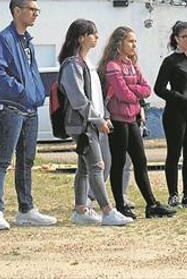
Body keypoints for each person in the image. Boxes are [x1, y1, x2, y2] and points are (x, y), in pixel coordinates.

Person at [0, 0, 56, 230]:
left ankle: (26, 209)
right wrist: (22, 91)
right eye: (31, 9)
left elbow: (32, 73)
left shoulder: (28, 42)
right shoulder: (3, 39)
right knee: (2, 160)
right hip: (10, 108)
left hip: (30, 109)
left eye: (37, 10)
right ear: (17, 11)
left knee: (26, 160)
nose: (35, 13)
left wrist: (35, 94)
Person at [58, 19, 131, 227]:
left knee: (84, 167)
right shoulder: (72, 64)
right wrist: (97, 120)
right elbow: (78, 98)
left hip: (94, 122)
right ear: (81, 38)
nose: (97, 37)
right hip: (83, 125)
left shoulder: (88, 63)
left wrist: (104, 115)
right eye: (93, 34)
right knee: (98, 165)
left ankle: (81, 209)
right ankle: (107, 211)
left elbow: (97, 96)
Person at [98, 26, 175, 219]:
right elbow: (123, 95)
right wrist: (134, 90)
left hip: (132, 118)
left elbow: (147, 89)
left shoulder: (132, 65)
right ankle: (120, 205)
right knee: (118, 162)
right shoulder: (112, 67)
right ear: (119, 43)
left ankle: (152, 204)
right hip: (117, 120)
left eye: (135, 41)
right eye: (130, 41)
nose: (134, 45)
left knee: (140, 161)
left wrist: (132, 89)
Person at [154, 21, 187, 208]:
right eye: (185, 37)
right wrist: (178, 97)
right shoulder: (170, 61)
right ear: (176, 39)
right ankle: (173, 195)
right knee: (174, 153)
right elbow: (159, 88)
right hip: (176, 113)